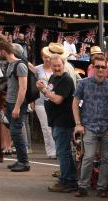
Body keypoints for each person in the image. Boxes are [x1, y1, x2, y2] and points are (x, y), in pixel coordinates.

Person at [72, 54, 108, 198]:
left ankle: (102, 187)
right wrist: (78, 124)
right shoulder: (84, 83)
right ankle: (83, 186)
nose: (100, 69)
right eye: (97, 66)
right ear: (92, 67)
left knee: (106, 159)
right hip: (89, 126)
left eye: (103, 67)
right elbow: (75, 103)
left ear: (107, 68)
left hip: (107, 127)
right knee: (88, 157)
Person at [38, 52, 76, 191]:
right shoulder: (54, 77)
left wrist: (44, 90)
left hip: (64, 121)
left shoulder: (66, 79)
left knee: (62, 152)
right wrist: (43, 88)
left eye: (59, 65)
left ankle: (66, 181)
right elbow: (50, 93)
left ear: (63, 65)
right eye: (54, 66)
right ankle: (70, 179)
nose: (57, 68)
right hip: (55, 120)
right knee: (63, 151)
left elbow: (58, 99)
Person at [0, 40, 30, 172]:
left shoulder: (20, 66)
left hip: (17, 104)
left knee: (16, 132)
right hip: (10, 102)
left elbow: (23, 88)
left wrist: (17, 107)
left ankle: (24, 162)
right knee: (14, 132)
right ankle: (21, 160)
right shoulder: (11, 65)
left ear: (3, 51)